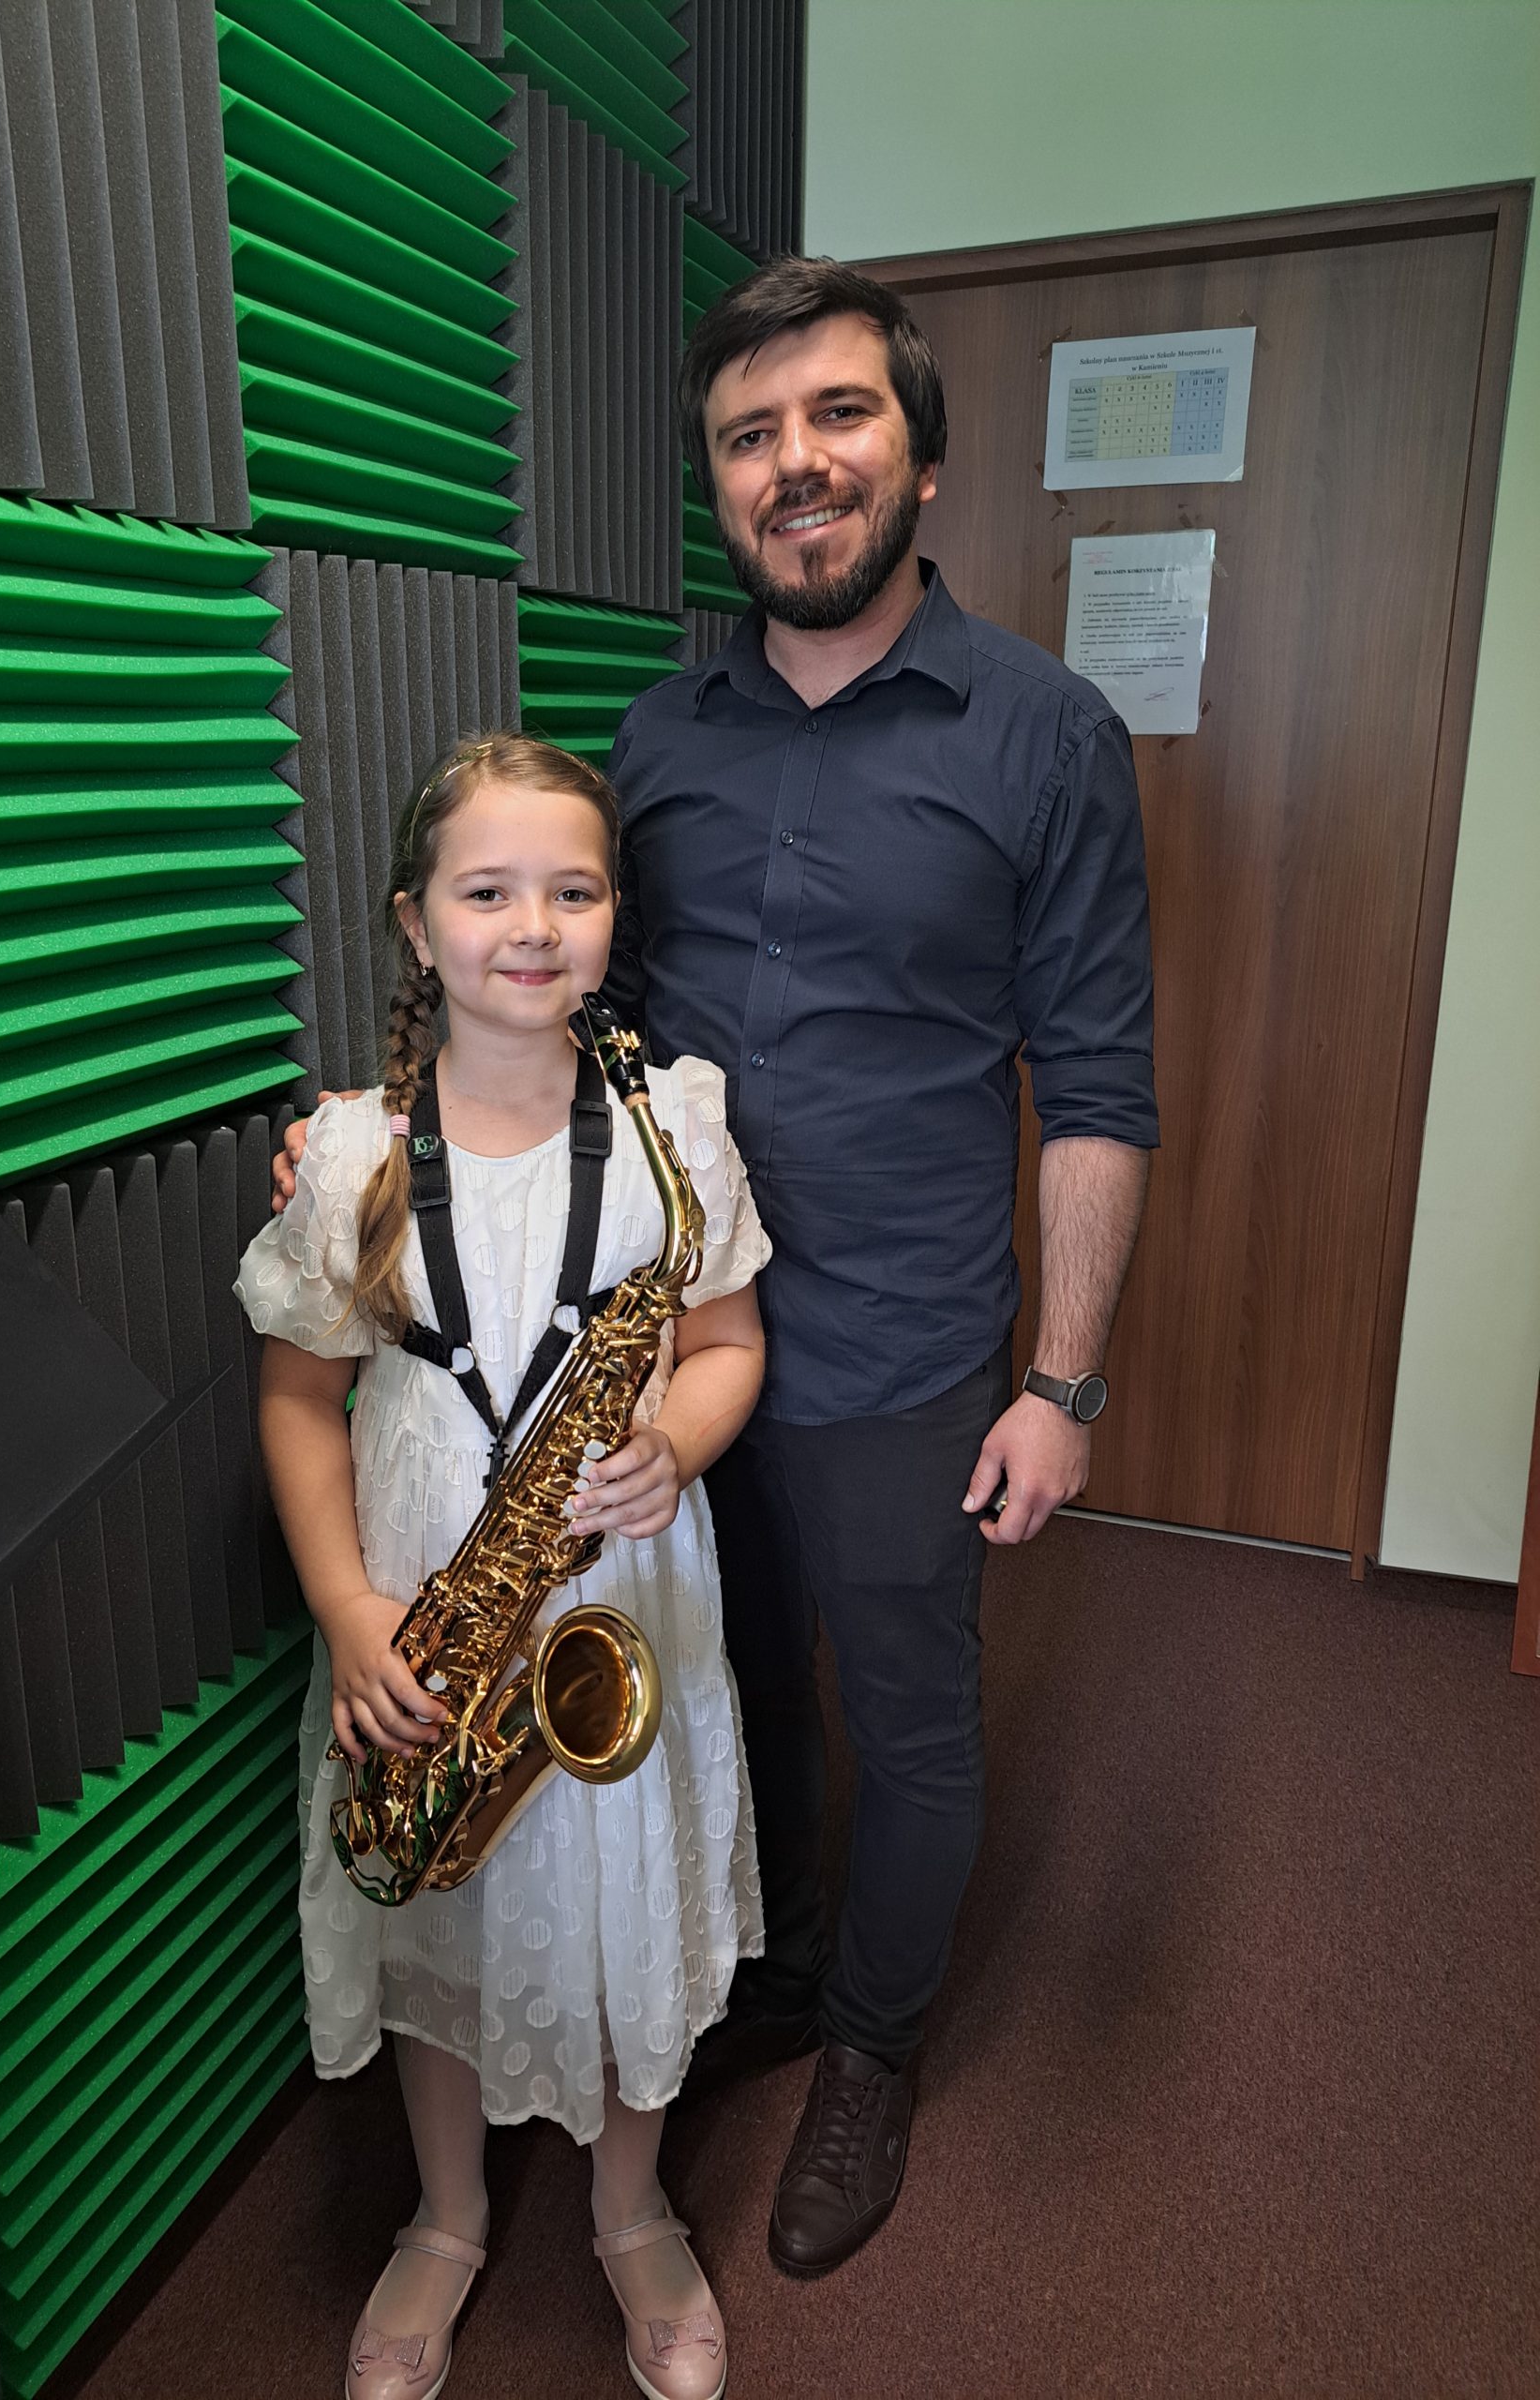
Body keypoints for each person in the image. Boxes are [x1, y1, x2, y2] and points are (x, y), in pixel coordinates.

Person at [277, 256, 1158, 2281]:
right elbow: (557, 1006)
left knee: (910, 1716)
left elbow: (1101, 1083)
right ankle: (773, 1960)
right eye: (751, 435)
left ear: (922, 457)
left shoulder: (1049, 735)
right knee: (725, 1679)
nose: (795, 462)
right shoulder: (656, 737)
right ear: (721, 483)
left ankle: (872, 2048)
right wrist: (370, 1131)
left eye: (839, 414)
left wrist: (1064, 1379)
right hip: (662, 1343)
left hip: (909, 1341)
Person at [235, 731, 770, 2400]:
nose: (532, 926)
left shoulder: (676, 1126)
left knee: (628, 1895)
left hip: (617, 1594)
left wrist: (677, 1443)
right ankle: (448, 2214)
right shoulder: (349, 1153)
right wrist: (345, 1607)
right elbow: (298, 1396)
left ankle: (630, 2209)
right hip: (418, 1587)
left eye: (573, 890)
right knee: (433, 1896)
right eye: (486, 892)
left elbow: (729, 1343)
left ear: (614, 916)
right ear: (415, 924)